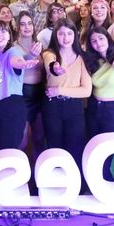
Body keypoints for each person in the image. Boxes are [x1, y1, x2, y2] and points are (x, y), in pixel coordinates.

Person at [0, 21, 39, 154]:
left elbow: (16, 61)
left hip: (10, 108)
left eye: (3, 31)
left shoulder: (13, 52)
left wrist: (24, 63)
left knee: (7, 154)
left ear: (9, 36)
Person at [83, 27, 114, 181]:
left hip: (112, 109)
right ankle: (92, 180)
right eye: (94, 41)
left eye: (101, 38)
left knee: (108, 147)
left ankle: (106, 180)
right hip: (93, 107)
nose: (98, 43)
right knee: (92, 145)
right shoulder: (93, 62)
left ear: (108, 39)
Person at [41, 19, 92, 168]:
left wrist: (59, 90)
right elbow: (50, 64)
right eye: (61, 33)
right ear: (55, 35)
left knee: (75, 146)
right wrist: (54, 67)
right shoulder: (49, 53)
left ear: (75, 35)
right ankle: (56, 183)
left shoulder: (82, 57)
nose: (65, 37)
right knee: (54, 145)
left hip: (74, 108)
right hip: (52, 107)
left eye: (69, 33)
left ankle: (76, 185)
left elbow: (86, 90)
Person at [13, 12, 46, 161]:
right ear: (17, 27)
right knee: (23, 139)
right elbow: (16, 67)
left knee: (39, 137)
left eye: (29, 23)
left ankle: (40, 174)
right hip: (23, 95)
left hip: (39, 93)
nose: (27, 27)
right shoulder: (13, 47)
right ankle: (16, 171)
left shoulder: (40, 45)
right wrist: (30, 56)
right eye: (23, 24)